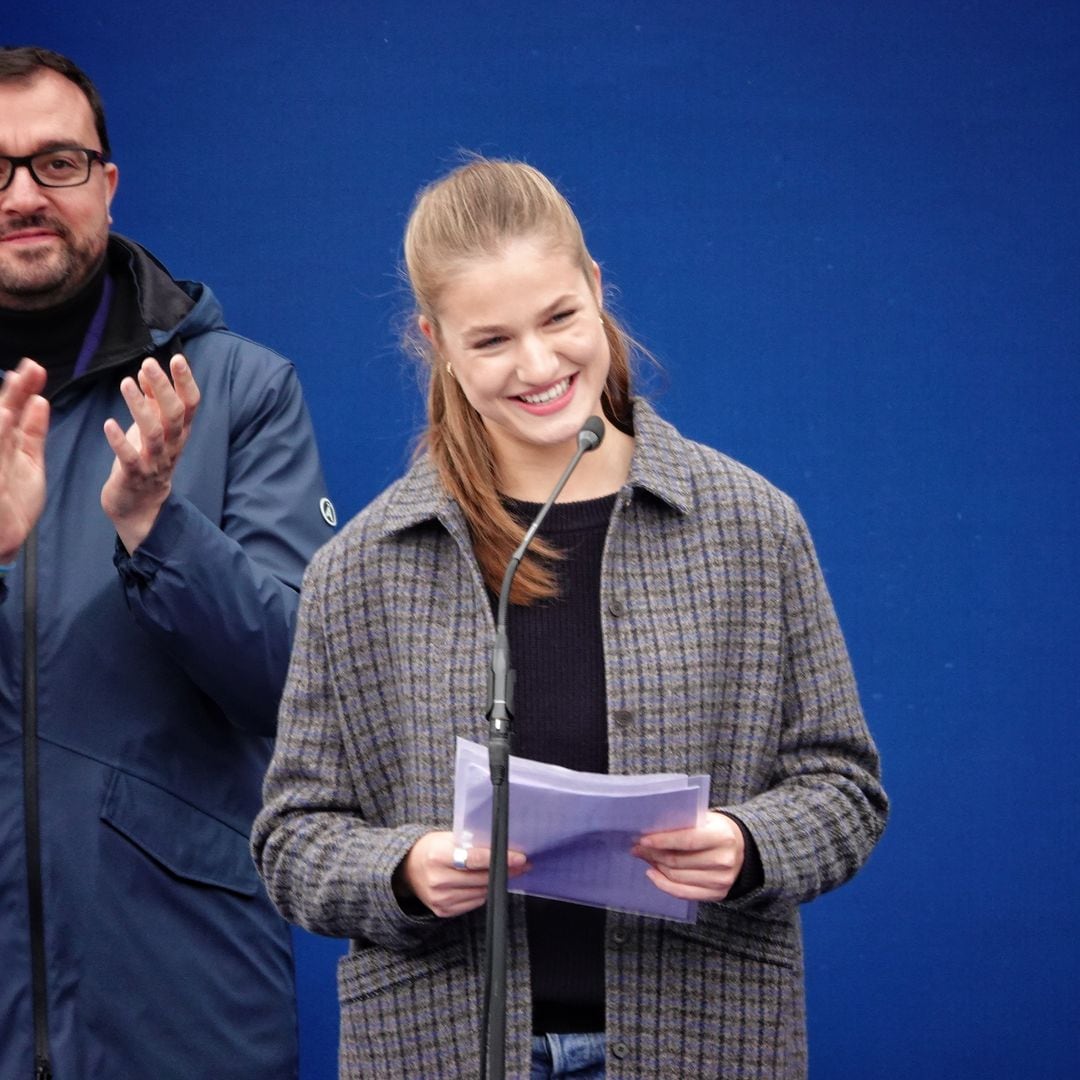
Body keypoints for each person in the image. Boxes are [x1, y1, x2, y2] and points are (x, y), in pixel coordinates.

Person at [253, 157, 888, 1079]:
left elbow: (846, 789)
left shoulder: (753, 525)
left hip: (702, 1039)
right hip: (438, 1045)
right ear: (435, 343)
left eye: (559, 318)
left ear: (596, 290)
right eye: (492, 340)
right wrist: (404, 869)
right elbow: (291, 838)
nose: (540, 365)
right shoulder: (361, 567)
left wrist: (749, 848)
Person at [0, 47, 336, 1079]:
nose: (21, 195)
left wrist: (156, 522)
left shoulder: (235, 391)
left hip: (182, 993)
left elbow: (301, 683)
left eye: (56, 162)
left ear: (108, 180)